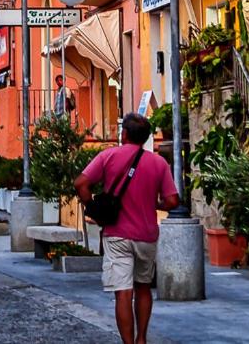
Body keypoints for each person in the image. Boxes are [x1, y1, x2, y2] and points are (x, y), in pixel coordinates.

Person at [74, 114, 179, 344]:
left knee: (123, 292)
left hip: (117, 234)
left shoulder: (109, 155)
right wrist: (155, 204)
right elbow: (172, 201)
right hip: (147, 235)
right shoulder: (159, 163)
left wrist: (92, 207)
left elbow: (80, 183)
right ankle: (142, 339)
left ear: (125, 134)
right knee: (143, 288)